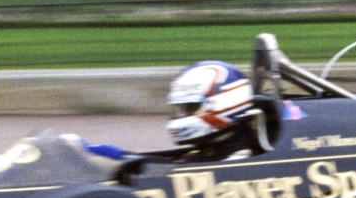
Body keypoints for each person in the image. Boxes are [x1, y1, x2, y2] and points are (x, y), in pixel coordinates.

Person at [79, 60, 262, 162]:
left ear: (227, 103)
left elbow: (164, 171)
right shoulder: (210, 149)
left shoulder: (239, 159)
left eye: (191, 108)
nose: (184, 115)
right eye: (182, 108)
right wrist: (96, 152)